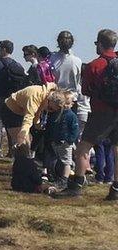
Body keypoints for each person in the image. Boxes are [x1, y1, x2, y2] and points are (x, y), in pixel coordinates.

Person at [55, 29, 118, 200]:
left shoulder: (94, 65)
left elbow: (85, 90)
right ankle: (115, 190)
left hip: (101, 112)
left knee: (82, 149)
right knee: (116, 149)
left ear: (100, 43)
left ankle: (75, 186)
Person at [49, 30, 90, 134]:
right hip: (62, 99)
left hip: (63, 100)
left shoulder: (53, 59)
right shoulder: (53, 59)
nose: (65, 41)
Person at [43, 90, 79, 191]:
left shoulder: (71, 116)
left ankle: (65, 179)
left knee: (67, 161)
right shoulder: (56, 114)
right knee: (59, 160)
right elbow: (53, 127)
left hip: (65, 143)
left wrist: (69, 140)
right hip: (56, 142)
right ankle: (58, 176)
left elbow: (75, 129)